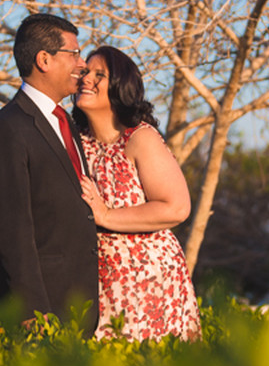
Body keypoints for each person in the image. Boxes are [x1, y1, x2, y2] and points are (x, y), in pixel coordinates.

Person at [0, 13, 99, 334]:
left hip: (75, 309)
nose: (82, 63)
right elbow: (13, 230)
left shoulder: (66, 123)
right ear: (44, 59)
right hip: (35, 316)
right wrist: (34, 313)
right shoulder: (8, 128)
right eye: (73, 53)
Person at [73, 45, 201, 341]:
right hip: (99, 283)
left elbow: (176, 207)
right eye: (85, 71)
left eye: (99, 74)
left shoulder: (140, 138)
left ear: (120, 86)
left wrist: (105, 215)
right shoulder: (76, 141)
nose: (86, 79)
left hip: (149, 280)